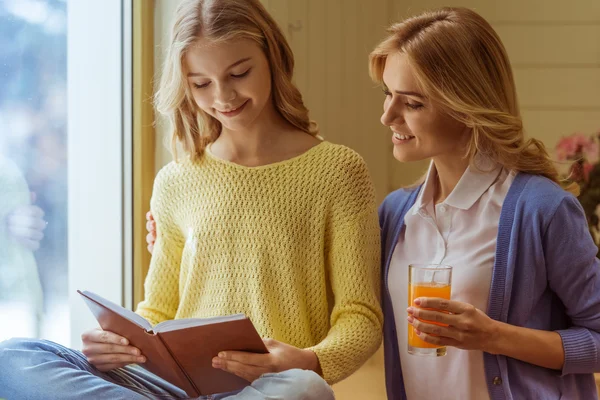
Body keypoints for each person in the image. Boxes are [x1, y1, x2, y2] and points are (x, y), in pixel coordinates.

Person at [0, 0, 383, 399]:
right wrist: (116, 343)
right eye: (201, 83)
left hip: (271, 386)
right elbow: (159, 312)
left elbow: (361, 317)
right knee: (16, 357)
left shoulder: (338, 170)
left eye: (239, 73)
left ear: (272, 56)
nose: (223, 95)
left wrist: (307, 360)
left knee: (304, 388)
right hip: (169, 384)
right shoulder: (176, 180)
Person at [370, 7, 600, 400]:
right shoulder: (395, 213)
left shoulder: (541, 209)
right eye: (388, 95)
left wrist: (494, 336)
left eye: (412, 103)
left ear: (466, 105)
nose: (386, 116)